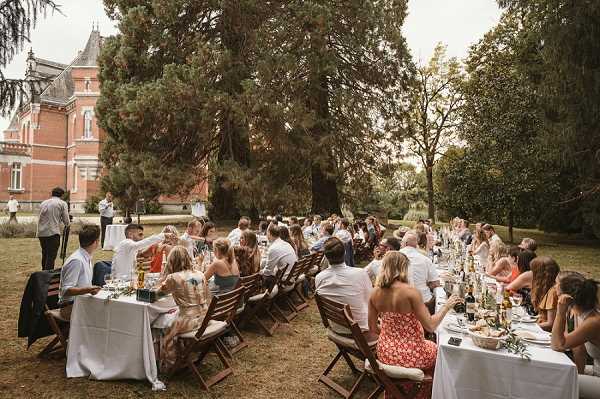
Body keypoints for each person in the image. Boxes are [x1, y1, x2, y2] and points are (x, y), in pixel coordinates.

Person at [368, 251, 461, 399]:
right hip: (412, 352)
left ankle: (400, 393)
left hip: (385, 351)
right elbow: (430, 326)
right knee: (440, 352)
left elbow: (372, 327)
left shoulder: (374, 293)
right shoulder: (411, 292)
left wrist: (391, 337)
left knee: (429, 347)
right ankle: (424, 394)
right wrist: (446, 307)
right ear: (403, 268)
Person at [155, 245, 209, 371]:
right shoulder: (200, 274)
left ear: (171, 261)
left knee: (162, 324)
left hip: (188, 321)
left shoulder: (173, 278)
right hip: (204, 317)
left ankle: (170, 363)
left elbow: (155, 296)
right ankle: (183, 355)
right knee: (170, 317)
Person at [551, 273, 600, 398]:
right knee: (558, 373)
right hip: (595, 370)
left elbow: (557, 345)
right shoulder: (583, 313)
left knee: (560, 381)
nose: (554, 287)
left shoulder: (593, 321)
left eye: (557, 284)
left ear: (566, 296)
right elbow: (579, 349)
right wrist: (579, 374)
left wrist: (561, 311)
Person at [315, 237, 373, 331]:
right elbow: (370, 300)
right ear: (345, 253)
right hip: (361, 329)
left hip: (336, 327)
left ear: (325, 256)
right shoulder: (360, 273)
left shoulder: (319, 277)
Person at [58, 225, 102, 320]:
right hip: (70, 307)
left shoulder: (85, 257)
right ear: (96, 242)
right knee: (105, 315)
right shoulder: (77, 260)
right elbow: (65, 290)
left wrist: (89, 290)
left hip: (81, 302)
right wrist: (88, 290)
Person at [400, 232, 440, 314]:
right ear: (416, 245)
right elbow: (436, 283)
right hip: (423, 302)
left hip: (399, 303)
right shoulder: (425, 259)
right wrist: (425, 284)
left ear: (404, 243)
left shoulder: (393, 258)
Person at [37, 187, 70, 270]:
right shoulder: (62, 203)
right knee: (51, 256)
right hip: (53, 232)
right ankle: (47, 275)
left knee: (45, 254)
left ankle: (43, 273)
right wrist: (68, 221)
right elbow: (66, 221)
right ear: (62, 195)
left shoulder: (43, 203)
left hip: (41, 232)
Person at [531, 256, 560, 331]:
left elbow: (550, 324)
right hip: (540, 326)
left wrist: (530, 327)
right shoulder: (545, 287)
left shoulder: (553, 292)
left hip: (545, 333)